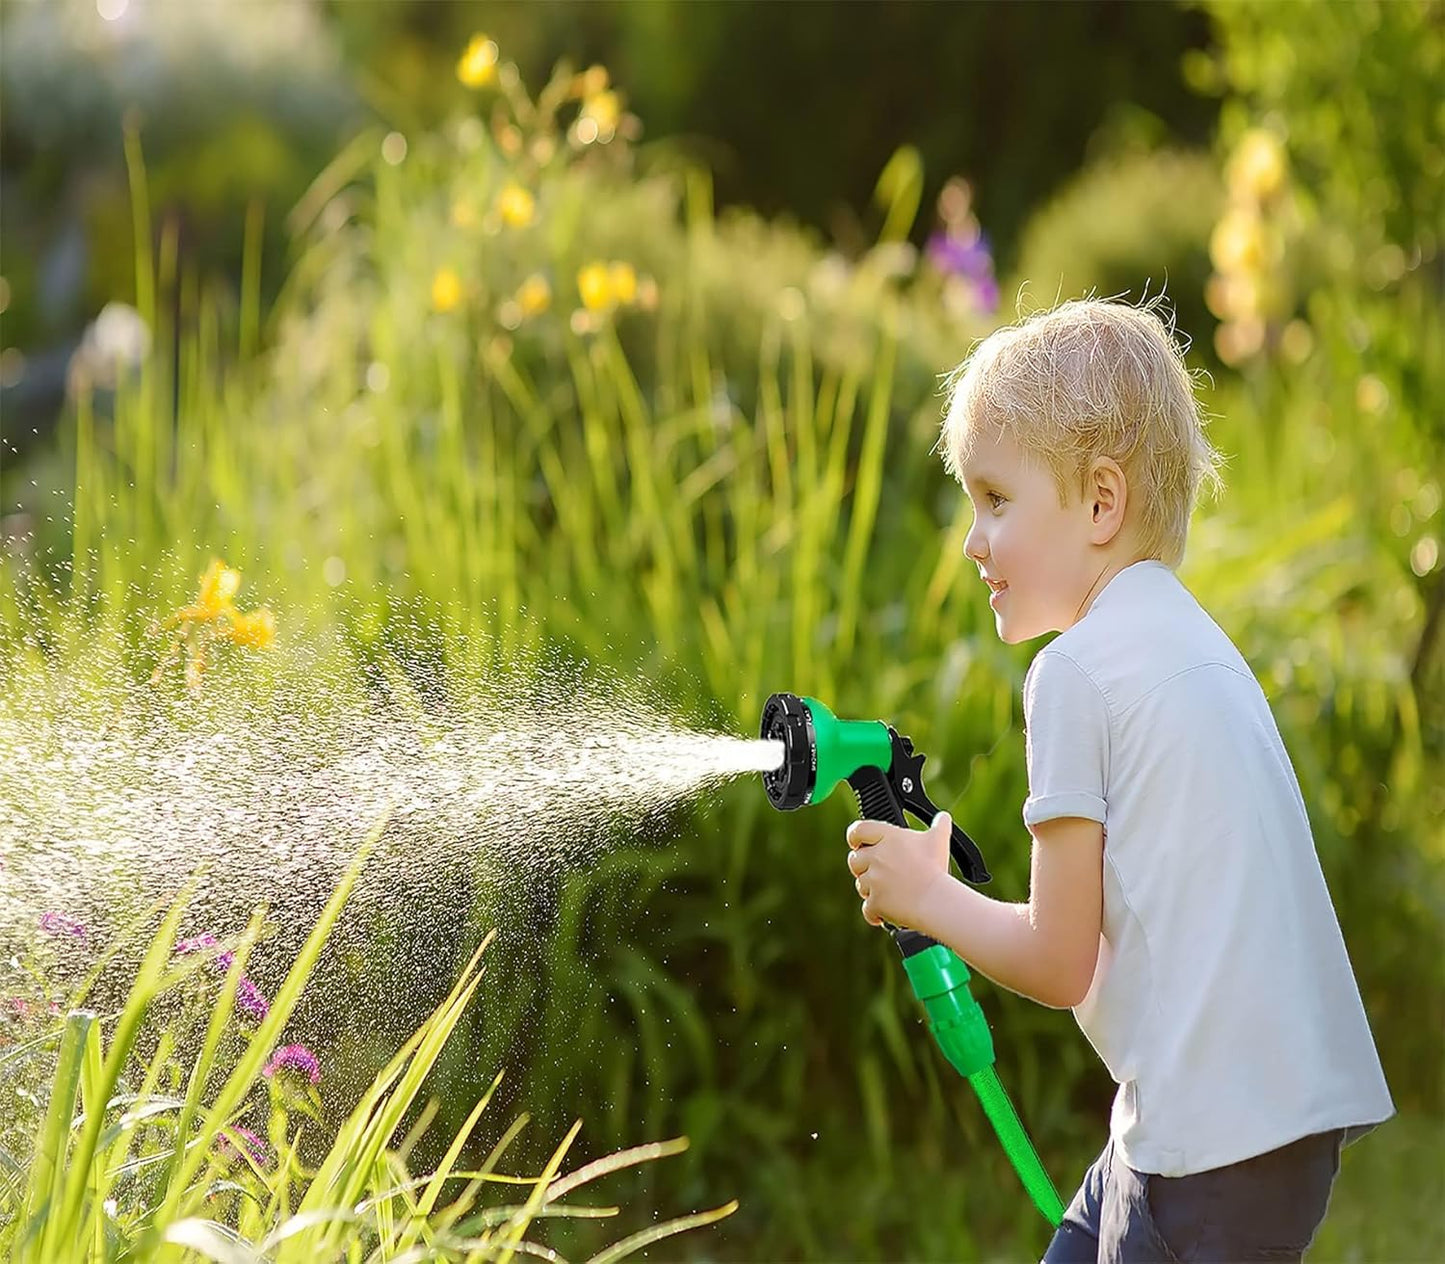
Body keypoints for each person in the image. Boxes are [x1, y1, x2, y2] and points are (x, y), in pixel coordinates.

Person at [843, 297, 1394, 1261]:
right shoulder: (1195, 640)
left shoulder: (1075, 672)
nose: (972, 539)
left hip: (1206, 1149)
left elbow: (1058, 963)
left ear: (1101, 502)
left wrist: (928, 898)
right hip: (1258, 1125)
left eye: (996, 500)